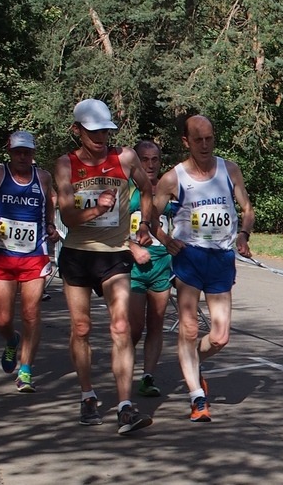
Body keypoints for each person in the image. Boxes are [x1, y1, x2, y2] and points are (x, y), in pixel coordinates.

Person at [54, 98, 155, 435]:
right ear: (77, 130)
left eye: (105, 131)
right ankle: (87, 394)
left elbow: (148, 188)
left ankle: (125, 406)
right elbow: (68, 215)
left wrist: (145, 225)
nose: (101, 137)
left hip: (114, 254)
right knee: (81, 328)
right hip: (78, 254)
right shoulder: (65, 165)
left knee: (121, 325)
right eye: (93, 131)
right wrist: (96, 210)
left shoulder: (124, 158)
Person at [153, 114, 255, 423]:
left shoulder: (229, 170)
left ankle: (191, 357)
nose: (205, 144)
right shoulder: (173, 178)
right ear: (186, 142)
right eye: (198, 139)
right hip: (190, 257)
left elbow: (247, 210)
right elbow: (149, 220)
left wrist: (243, 234)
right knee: (189, 327)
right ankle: (197, 396)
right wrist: (165, 239)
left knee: (221, 336)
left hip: (221, 258)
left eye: (209, 138)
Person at [0, 131, 59, 392]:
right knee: (1, 320)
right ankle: (11, 340)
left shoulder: (43, 177)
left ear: (33, 154)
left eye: (27, 152)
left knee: (31, 313)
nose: (22, 156)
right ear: (9, 152)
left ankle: (26, 370)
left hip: (34, 254)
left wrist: (50, 225)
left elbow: (48, 205)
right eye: (18, 151)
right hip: (2, 254)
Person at [128, 140, 173, 398]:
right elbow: (112, 229)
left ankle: (147, 377)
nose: (151, 164)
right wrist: (132, 248)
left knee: (156, 324)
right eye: (145, 159)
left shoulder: (168, 188)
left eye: (155, 159)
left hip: (161, 264)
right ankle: (123, 366)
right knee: (134, 327)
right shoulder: (128, 188)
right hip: (134, 265)